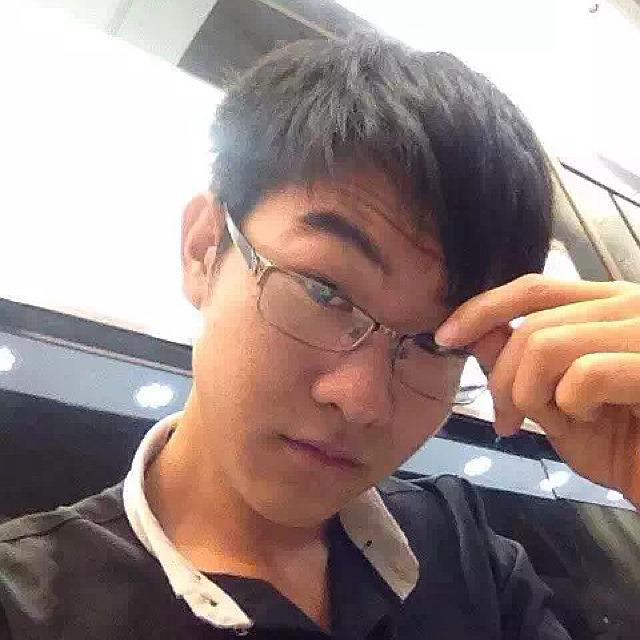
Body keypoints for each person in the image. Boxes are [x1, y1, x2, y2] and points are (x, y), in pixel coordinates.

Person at [1, 32, 639, 640]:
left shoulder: (465, 554)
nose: (363, 401)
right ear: (203, 249)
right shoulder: (27, 607)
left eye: (437, 343)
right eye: (325, 291)